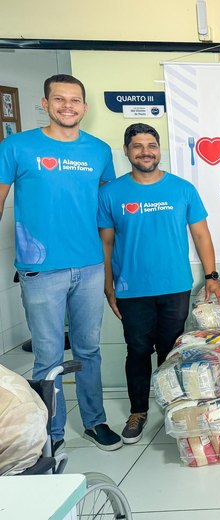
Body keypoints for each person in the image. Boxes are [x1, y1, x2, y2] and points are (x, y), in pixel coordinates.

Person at [0, 74, 122, 452]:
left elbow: (107, 212)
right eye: (59, 99)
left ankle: (94, 421)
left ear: (84, 107)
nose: (67, 106)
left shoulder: (99, 151)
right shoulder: (17, 146)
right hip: (41, 271)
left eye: (74, 100)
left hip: (89, 266)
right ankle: (50, 434)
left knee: (88, 350)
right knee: (48, 356)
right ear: (46, 103)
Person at [98, 123, 220, 443]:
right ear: (126, 151)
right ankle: (138, 411)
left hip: (174, 285)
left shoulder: (182, 189)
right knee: (138, 349)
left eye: (151, 145)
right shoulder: (110, 193)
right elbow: (106, 244)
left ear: (159, 149)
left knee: (172, 350)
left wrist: (212, 277)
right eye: (137, 146)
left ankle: (174, 408)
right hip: (132, 288)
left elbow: (201, 234)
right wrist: (108, 284)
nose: (145, 151)